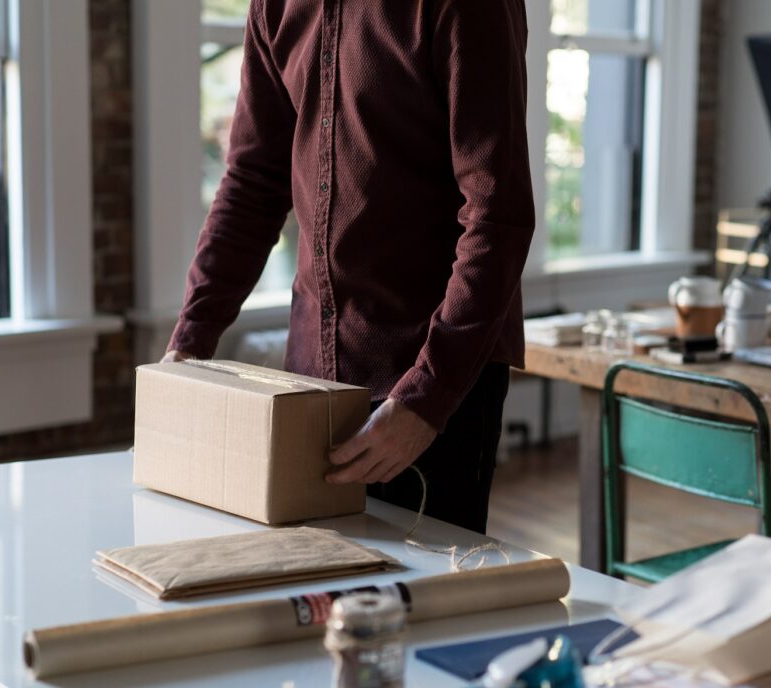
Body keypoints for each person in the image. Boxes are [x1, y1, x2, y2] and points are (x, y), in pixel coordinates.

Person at [163, 0, 534, 534]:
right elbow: (252, 185)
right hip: (309, 385)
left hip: (433, 382)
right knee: (315, 600)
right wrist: (188, 346)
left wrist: (425, 400)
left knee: (421, 608)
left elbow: (497, 217)